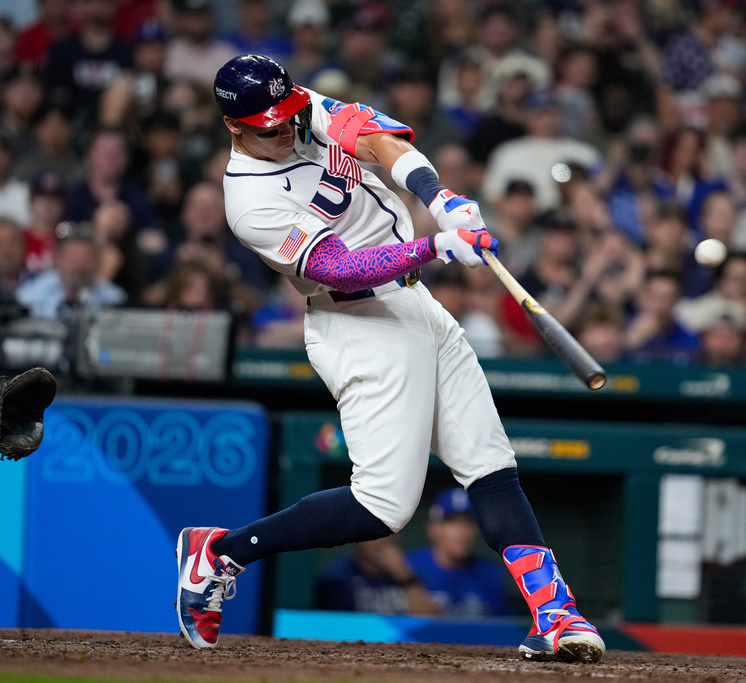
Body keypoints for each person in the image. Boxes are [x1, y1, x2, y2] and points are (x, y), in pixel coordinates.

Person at [174, 54, 604, 664]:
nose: (289, 127)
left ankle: (555, 614)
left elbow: (379, 138)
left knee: (489, 465)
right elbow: (333, 267)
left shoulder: (301, 109)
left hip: (417, 305)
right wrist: (434, 245)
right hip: (355, 321)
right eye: (270, 125)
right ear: (234, 127)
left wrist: (440, 197)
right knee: (382, 506)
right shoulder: (249, 200)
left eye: (290, 113)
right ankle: (219, 553)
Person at [404, 488, 512, 619]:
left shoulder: (491, 574)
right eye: (451, 521)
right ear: (433, 528)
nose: (462, 531)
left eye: (469, 521)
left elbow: (504, 631)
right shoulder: (408, 567)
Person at [315, 535, 440, 616]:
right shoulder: (337, 578)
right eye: (375, 534)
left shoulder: (409, 574)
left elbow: (430, 620)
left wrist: (403, 575)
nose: (383, 540)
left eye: (389, 533)